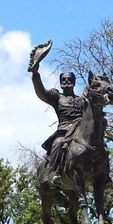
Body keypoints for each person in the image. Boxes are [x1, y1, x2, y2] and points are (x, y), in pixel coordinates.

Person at [29, 40, 85, 186]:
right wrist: (35, 74)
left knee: (99, 146)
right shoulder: (57, 98)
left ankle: (104, 176)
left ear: (74, 82)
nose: (66, 82)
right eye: (64, 80)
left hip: (81, 132)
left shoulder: (81, 100)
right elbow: (41, 93)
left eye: (69, 79)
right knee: (58, 144)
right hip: (64, 131)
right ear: (60, 83)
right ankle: (53, 172)